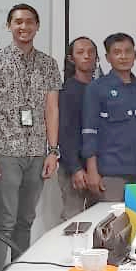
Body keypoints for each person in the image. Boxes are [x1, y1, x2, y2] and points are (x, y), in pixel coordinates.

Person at [0, 3, 61, 271]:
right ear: (9, 25)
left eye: (29, 21)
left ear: (37, 26)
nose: (24, 26)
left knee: (26, 220)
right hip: (4, 152)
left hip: (36, 152)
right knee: (4, 221)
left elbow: (52, 109)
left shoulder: (48, 64)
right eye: (18, 21)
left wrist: (52, 151)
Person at [81, 33, 136, 202]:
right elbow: (89, 131)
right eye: (117, 52)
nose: (123, 56)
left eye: (128, 51)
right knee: (111, 217)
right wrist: (92, 170)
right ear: (108, 57)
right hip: (111, 170)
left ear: (135, 55)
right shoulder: (97, 88)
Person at [57, 37, 102, 220]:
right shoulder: (66, 91)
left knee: (100, 219)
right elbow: (64, 133)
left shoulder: (102, 88)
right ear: (71, 58)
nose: (86, 56)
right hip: (73, 167)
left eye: (91, 52)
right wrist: (75, 168)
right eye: (80, 52)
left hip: (100, 167)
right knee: (73, 219)